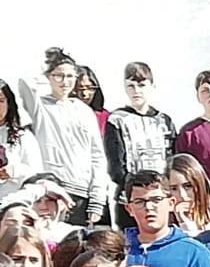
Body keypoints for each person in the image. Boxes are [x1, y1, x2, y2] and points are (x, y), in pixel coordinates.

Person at [33, 47, 109, 224]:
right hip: (48, 191)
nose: (64, 81)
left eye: (69, 76)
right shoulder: (38, 107)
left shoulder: (84, 111)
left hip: (80, 194)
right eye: (58, 75)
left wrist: (97, 200)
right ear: (49, 77)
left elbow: (97, 156)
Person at [121, 171, 210, 267]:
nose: (148, 207)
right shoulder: (120, 250)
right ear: (129, 209)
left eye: (156, 200)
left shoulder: (194, 252)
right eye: (139, 202)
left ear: (171, 203)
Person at [105, 62, 177, 208]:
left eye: (142, 85)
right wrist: (131, 184)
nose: (136, 91)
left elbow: (172, 156)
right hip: (130, 195)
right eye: (131, 86)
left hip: (160, 193)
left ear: (152, 86)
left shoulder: (164, 120)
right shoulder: (117, 119)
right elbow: (115, 163)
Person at [0, 77, 45, 188]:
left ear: (9, 103)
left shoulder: (22, 136)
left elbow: (37, 174)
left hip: (11, 200)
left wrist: (15, 171)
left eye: (0, 101)